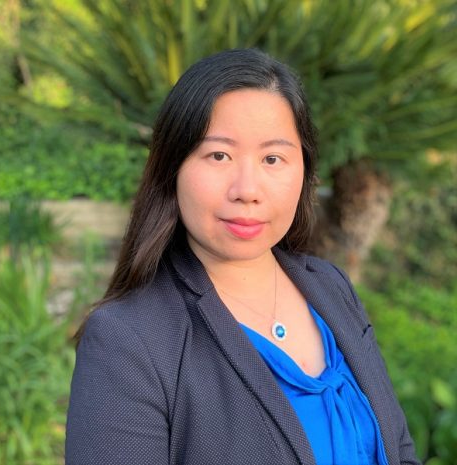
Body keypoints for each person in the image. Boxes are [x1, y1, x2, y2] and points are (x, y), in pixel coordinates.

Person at [65, 48, 419, 465]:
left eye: (272, 158)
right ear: (172, 168)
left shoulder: (330, 286)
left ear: (304, 171)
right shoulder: (129, 340)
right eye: (219, 155)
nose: (247, 190)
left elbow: (399, 450)